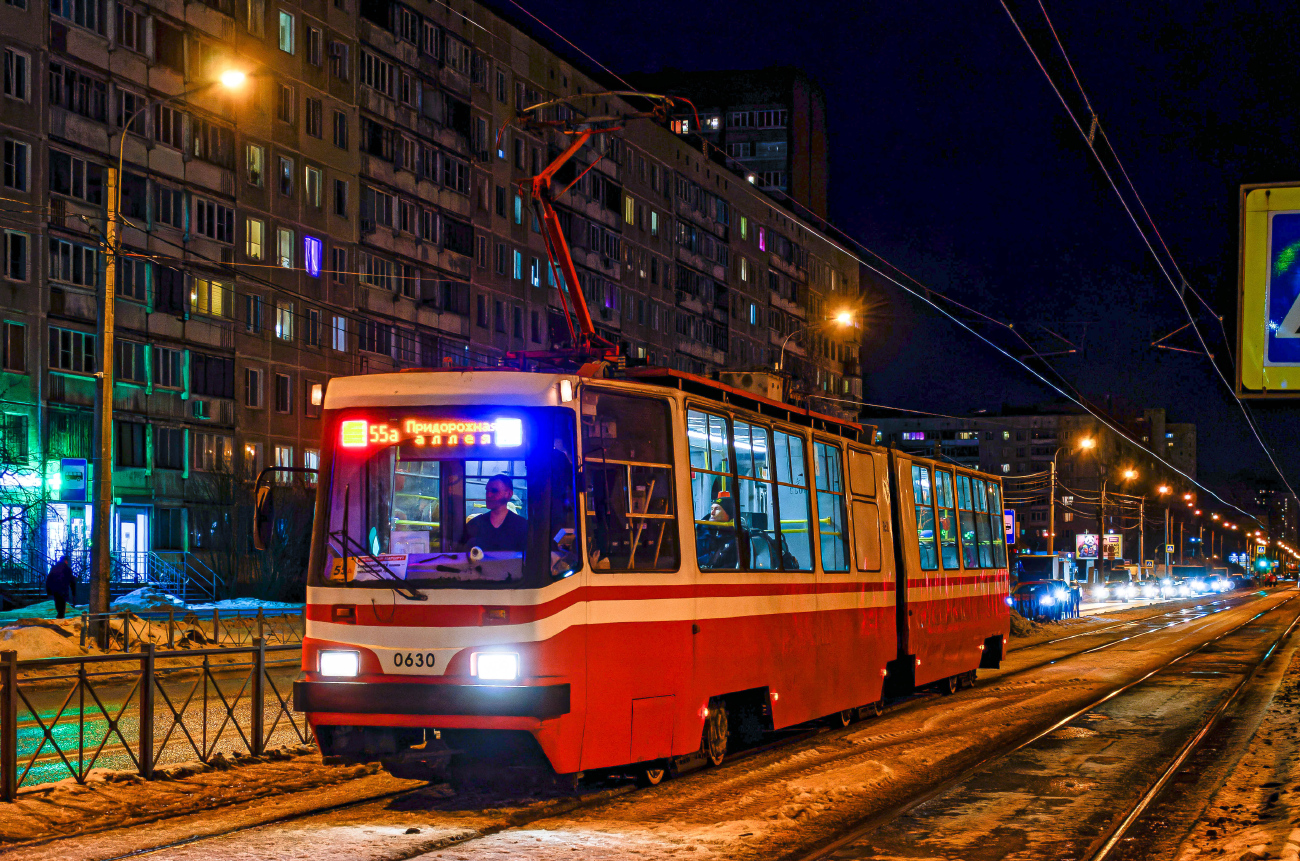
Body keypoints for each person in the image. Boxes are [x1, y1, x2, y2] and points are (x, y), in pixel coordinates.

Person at [464, 473, 529, 553]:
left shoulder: (521, 526)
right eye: (487, 490)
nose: (488, 494)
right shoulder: (474, 524)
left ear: (508, 494)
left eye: (494, 491)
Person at [698, 493, 739, 569]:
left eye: (717, 509)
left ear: (728, 513)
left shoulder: (736, 535)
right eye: (711, 509)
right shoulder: (702, 528)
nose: (712, 513)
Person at [45, 554, 77, 620]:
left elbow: (49, 579)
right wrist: (73, 592)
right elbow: (72, 581)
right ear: (66, 561)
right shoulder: (67, 569)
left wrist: (48, 590)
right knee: (62, 603)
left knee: (57, 602)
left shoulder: (54, 568)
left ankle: (59, 615)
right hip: (63, 589)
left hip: (55, 588)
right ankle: (60, 616)